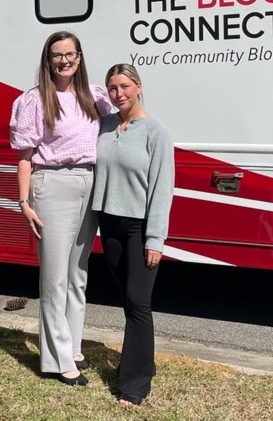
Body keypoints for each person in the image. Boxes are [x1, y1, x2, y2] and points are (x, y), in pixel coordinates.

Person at [9, 30, 113, 386]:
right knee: (54, 278)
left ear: (80, 58)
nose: (64, 60)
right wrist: (24, 202)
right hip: (52, 185)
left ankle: (72, 344)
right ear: (48, 60)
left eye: (70, 54)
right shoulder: (36, 100)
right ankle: (55, 359)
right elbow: (24, 157)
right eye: (57, 55)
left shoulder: (93, 97)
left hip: (89, 181)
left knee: (77, 274)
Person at [90, 64, 174, 406]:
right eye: (112, 88)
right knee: (128, 300)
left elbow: (162, 187)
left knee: (139, 303)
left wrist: (156, 238)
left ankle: (135, 384)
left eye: (124, 86)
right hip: (109, 225)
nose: (118, 93)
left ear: (138, 87)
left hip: (139, 228)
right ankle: (143, 362)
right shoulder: (105, 126)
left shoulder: (156, 131)